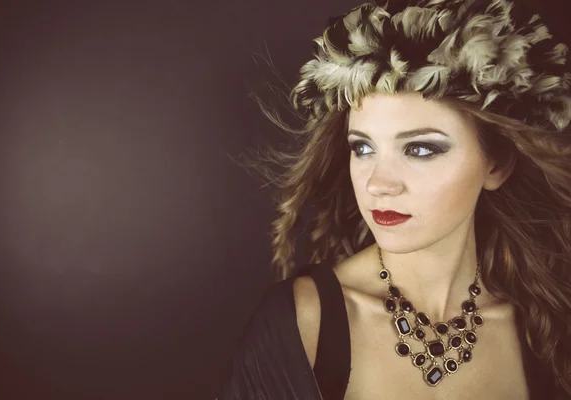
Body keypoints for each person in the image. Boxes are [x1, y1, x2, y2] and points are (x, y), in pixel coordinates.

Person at [216, 0, 571, 398]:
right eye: (363, 148)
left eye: (420, 149)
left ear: (496, 165)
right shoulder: (307, 321)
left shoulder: (545, 331)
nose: (378, 184)